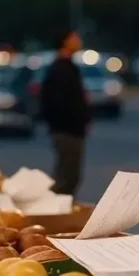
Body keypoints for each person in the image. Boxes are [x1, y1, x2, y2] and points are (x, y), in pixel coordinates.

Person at [40, 31, 90, 196]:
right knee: (66, 177)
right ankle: (57, 214)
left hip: (72, 130)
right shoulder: (60, 69)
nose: (79, 41)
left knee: (71, 175)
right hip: (67, 130)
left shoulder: (69, 67)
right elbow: (57, 102)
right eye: (74, 38)